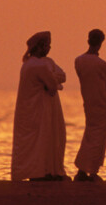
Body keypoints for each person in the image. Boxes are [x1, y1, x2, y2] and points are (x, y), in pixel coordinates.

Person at [11, 31, 69, 181]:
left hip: (36, 109)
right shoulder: (40, 65)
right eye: (46, 45)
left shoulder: (34, 64)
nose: (48, 48)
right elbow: (52, 85)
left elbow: (62, 76)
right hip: (39, 110)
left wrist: (54, 79)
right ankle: (41, 172)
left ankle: (44, 170)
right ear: (39, 47)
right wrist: (55, 81)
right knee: (43, 139)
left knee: (45, 139)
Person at [73, 29, 106, 182]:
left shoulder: (79, 61)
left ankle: (83, 169)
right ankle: (91, 171)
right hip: (101, 104)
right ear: (101, 43)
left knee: (89, 135)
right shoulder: (101, 64)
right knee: (99, 138)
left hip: (88, 103)